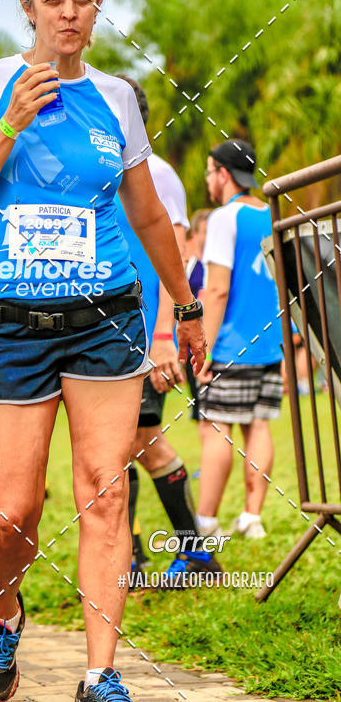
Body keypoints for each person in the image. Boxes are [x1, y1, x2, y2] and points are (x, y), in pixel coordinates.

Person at [0, 0, 206, 702]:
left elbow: (151, 217)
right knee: (14, 511)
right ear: (29, 9)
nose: (68, 11)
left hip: (105, 315)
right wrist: (9, 123)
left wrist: (183, 306)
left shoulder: (117, 97)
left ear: (95, 10)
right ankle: (3, 609)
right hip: (13, 320)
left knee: (106, 491)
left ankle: (101, 674)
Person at [115, 78, 219, 586]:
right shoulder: (101, 169)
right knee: (115, 447)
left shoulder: (156, 172)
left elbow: (172, 259)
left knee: (140, 440)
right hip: (104, 333)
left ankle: (195, 554)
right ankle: (130, 556)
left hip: (142, 335)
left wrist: (162, 338)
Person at [196, 140, 283, 540]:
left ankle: (206, 522)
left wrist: (205, 349)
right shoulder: (271, 214)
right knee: (258, 426)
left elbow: (216, 290)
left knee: (217, 426)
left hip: (231, 344)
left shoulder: (222, 218)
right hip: (270, 341)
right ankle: (252, 518)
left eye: (210, 171)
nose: (208, 180)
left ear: (224, 174)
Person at [185, 209, 211, 422]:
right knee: (199, 408)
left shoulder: (219, 267)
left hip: (214, 344)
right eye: (205, 231)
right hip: (191, 345)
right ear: (194, 235)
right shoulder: (189, 268)